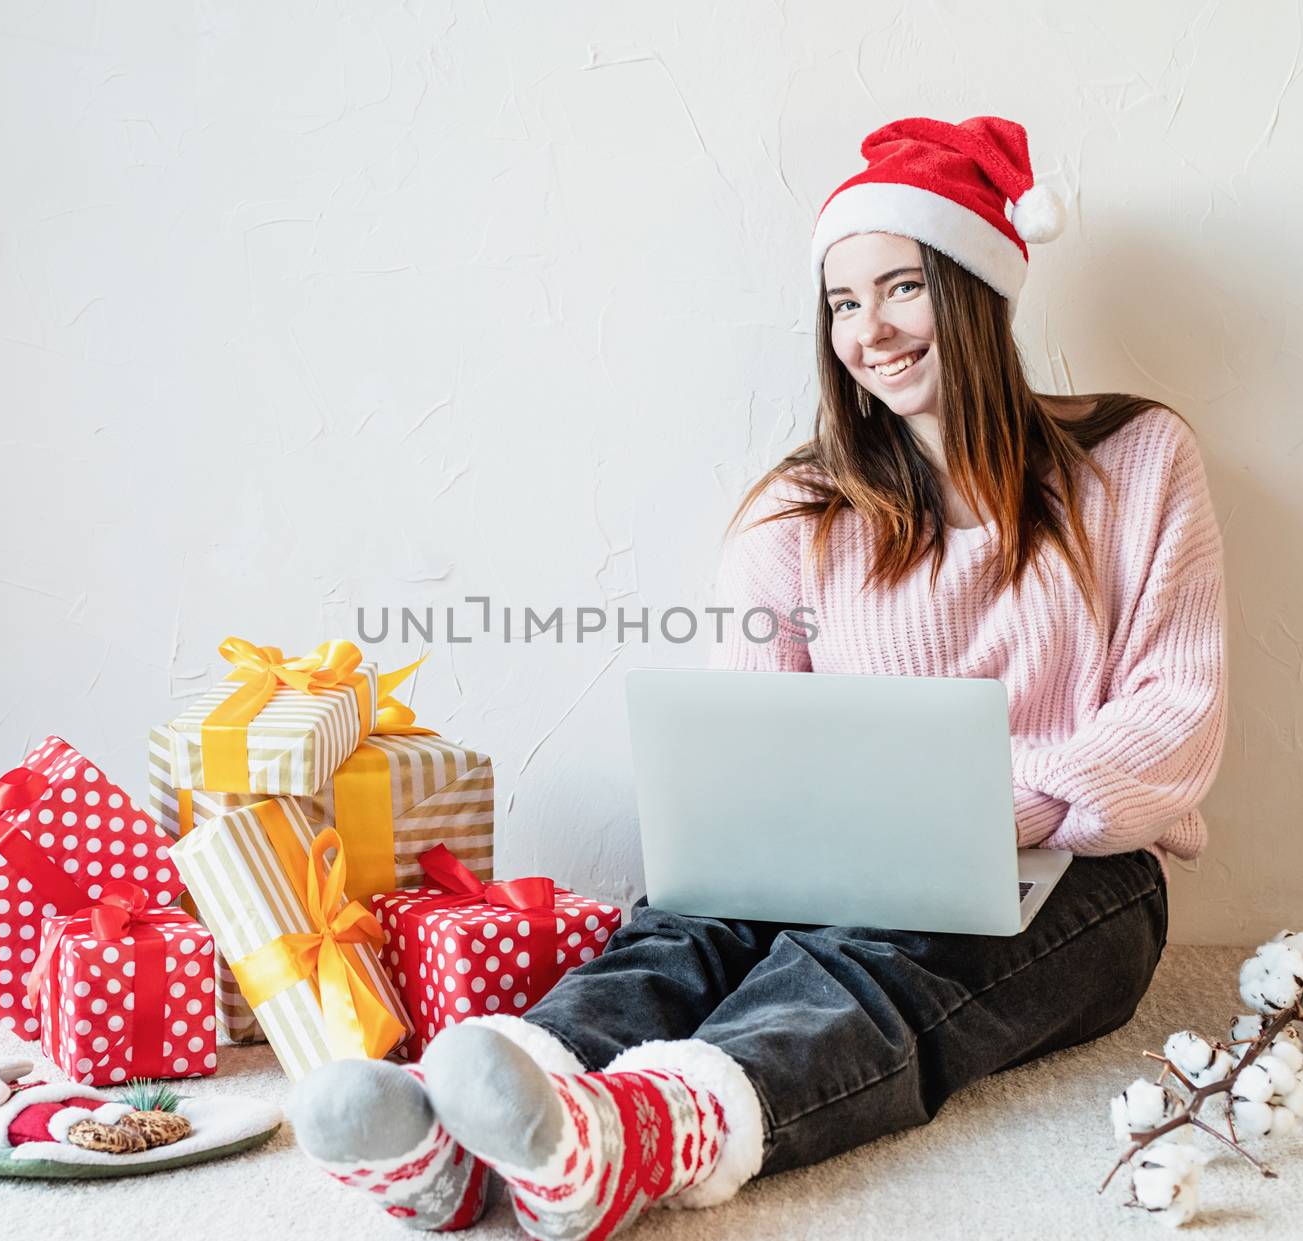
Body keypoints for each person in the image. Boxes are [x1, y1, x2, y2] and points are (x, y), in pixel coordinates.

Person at [290, 115, 1228, 1240]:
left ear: (974, 290)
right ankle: (469, 1120)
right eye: (841, 302)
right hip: (842, 854)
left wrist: (976, 807)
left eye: (899, 288)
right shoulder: (799, 508)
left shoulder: (1134, 460)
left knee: (880, 965)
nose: (867, 331)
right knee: (692, 919)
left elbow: (1174, 723)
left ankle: (645, 1128)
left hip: (1080, 871)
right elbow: (749, 752)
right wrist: (810, 837)